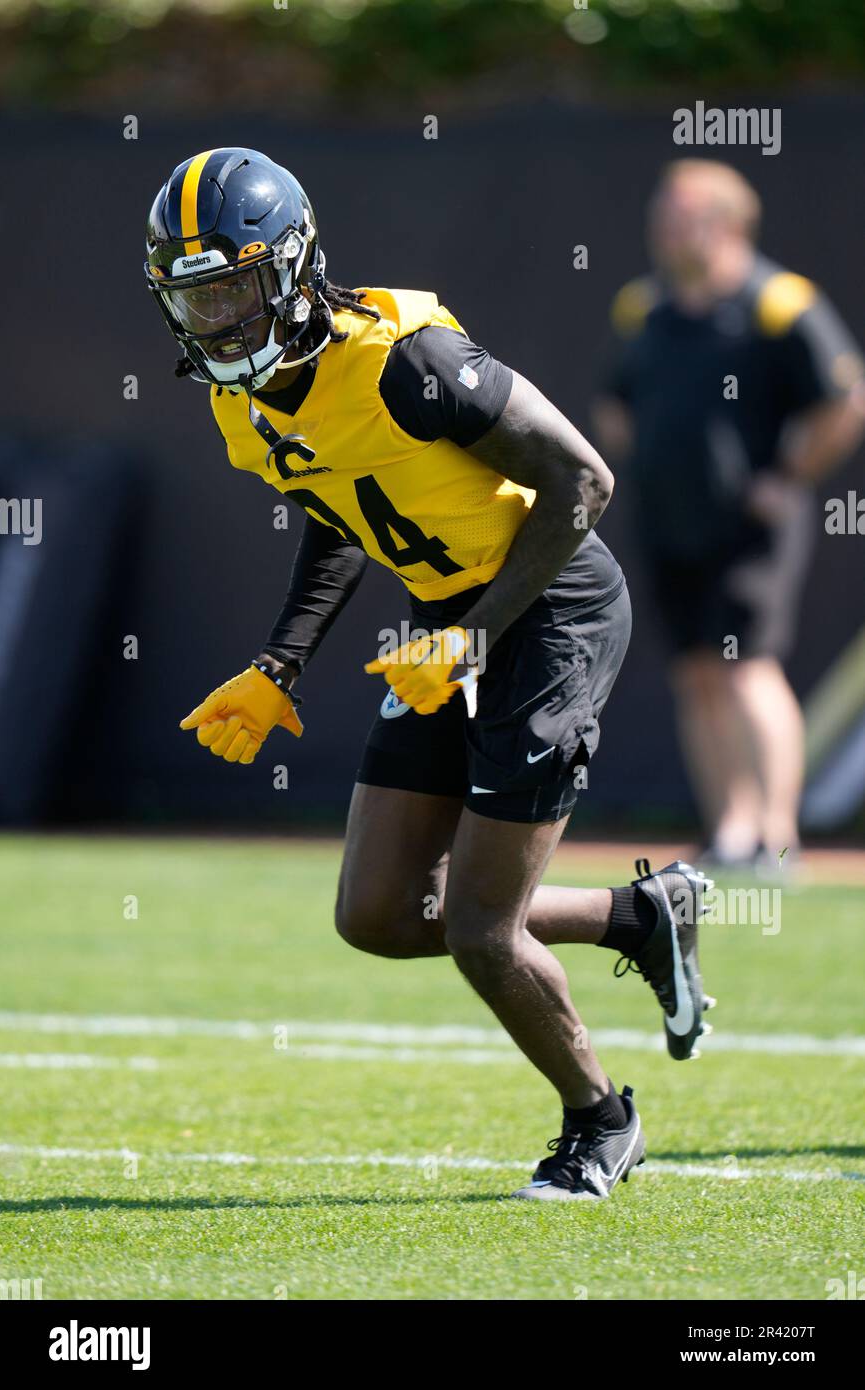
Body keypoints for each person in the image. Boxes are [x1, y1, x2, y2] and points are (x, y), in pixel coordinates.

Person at [146, 147, 713, 1202]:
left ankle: (601, 1121)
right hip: (448, 622)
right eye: (192, 299)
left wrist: (477, 634)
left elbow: (581, 480)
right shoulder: (247, 399)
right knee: (376, 911)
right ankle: (643, 917)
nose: (214, 320)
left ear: (288, 268)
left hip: (548, 612)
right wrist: (280, 667)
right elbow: (338, 515)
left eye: (228, 289)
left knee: (479, 930)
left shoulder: (409, 359)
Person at [595, 160, 865, 870]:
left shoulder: (779, 303)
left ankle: (777, 839)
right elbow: (616, 403)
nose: (663, 230)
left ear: (726, 223)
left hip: (749, 530)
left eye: (678, 216)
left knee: (748, 668)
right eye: (662, 216)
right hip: (667, 521)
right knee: (697, 673)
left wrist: (788, 476)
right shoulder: (643, 307)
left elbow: (846, 401)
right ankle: (731, 833)